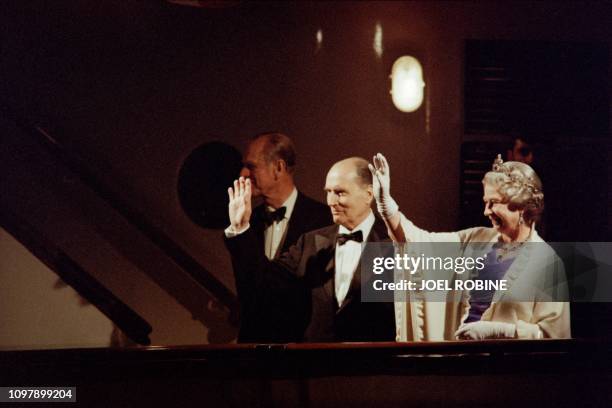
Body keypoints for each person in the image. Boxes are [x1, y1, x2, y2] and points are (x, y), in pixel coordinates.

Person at [369, 153, 570, 341]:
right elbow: (419, 244)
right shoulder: (476, 240)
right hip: (460, 361)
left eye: (493, 203)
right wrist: (387, 207)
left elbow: (554, 335)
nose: (486, 211)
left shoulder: (548, 263)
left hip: (506, 371)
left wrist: (503, 331)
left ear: (521, 206)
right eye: (485, 202)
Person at [225, 157, 395, 342]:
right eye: (328, 192)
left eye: (340, 193)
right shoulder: (310, 242)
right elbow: (266, 282)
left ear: (369, 194)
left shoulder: (395, 244)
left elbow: (417, 313)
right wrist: (241, 229)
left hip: (374, 366)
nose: (330, 201)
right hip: (315, 364)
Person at [229, 132, 331, 343]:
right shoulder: (247, 223)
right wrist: (240, 229)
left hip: (302, 352)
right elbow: (250, 289)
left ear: (278, 168)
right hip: (253, 352)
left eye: (251, 166)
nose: (243, 174)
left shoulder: (324, 220)